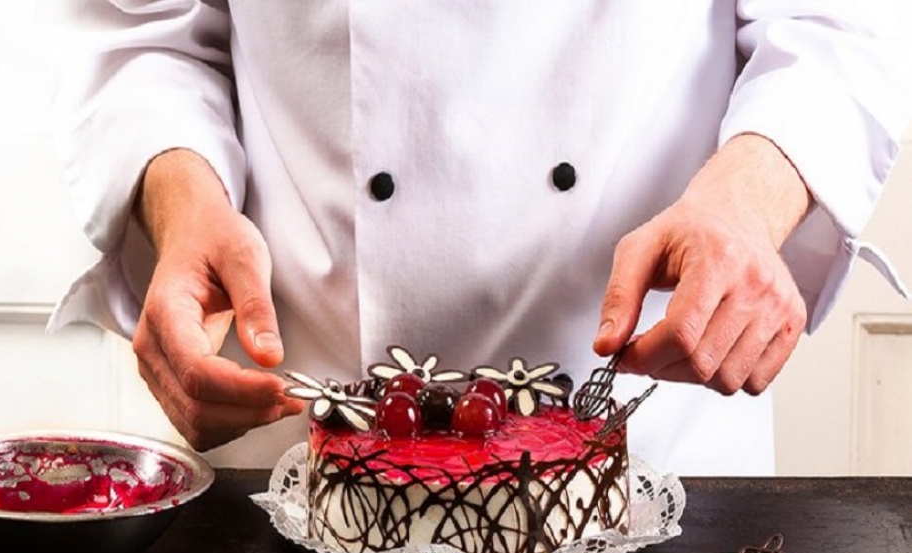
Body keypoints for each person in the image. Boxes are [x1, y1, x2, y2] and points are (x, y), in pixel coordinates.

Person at [49, 1, 912, 475]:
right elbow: (144, 33)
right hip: (300, 437)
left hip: (646, 446)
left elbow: (838, 21)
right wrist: (184, 207)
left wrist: (746, 204)